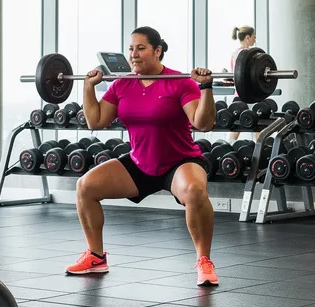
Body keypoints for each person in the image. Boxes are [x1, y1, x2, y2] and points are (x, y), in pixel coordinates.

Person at [66, 27, 221, 287]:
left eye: (140, 48)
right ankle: (95, 256)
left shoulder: (179, 81)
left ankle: (204, 260)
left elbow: (202, 123)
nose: (133, 54)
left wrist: (205, 88)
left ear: (157, 51)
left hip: (179, 162)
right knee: (85, 186)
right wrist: (88, 88)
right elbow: (96, 120)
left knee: (194, 191)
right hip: (140, 163)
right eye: (130, 48)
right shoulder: (123, 83)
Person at [227, 26, 257, 141]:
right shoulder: (247, 54)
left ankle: (229, 148)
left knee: (238, 125)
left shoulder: (235, 53)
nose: (255, 39)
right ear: (248, 37)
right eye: (254, 37)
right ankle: (261, 149)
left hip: (239, 95)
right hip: (248, 95)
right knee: (256, 123)